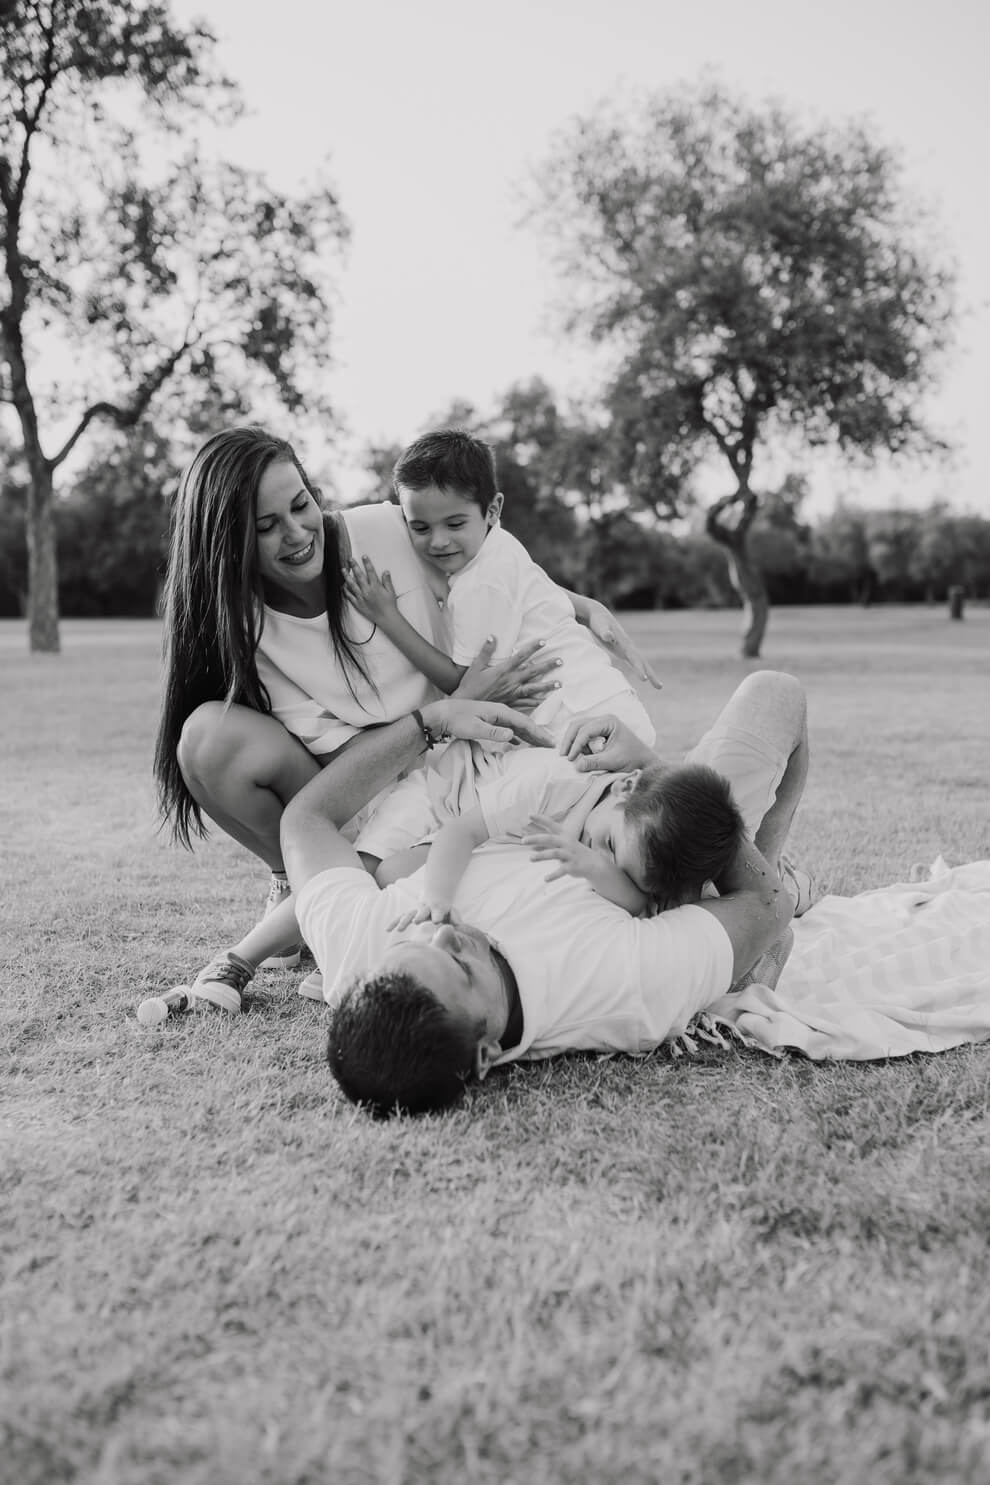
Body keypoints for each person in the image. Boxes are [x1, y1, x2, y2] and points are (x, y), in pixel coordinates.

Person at [153, 425, 651, 970]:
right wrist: (439, 717)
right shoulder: (246, 627)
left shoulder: (386, 530)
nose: (297, 533)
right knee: (204, 740)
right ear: (230, 543)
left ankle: (351, 894)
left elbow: (486, 560)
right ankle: (297, 879)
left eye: (302, 505)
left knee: (536, 833)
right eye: (267, 527)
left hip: (475, 763)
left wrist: (580, 605)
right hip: (378, 772)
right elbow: (335, 755)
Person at [273, 669, 810, 1116]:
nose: (446, 933)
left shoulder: (359, 954)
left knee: (773, 690)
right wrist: (653, 770)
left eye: (414, 943)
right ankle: (773, 853)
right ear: (485, 1056)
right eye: (461, 967)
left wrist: (431, 720)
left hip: (603, 807)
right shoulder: (623, 985)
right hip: (658, 848)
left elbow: (305, 820)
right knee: (775, 693)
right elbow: (768, 904)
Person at [384, 751, 746, 923]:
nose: (602, 859)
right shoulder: (553, 783)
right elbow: (461, 831)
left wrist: (596, 867)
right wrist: (438, 899)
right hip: (460, 796)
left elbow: (638, 904)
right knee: (389, 874)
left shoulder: (644, 852)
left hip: (513, 850)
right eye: (608, 845)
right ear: (624, 787)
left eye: (622, 872)